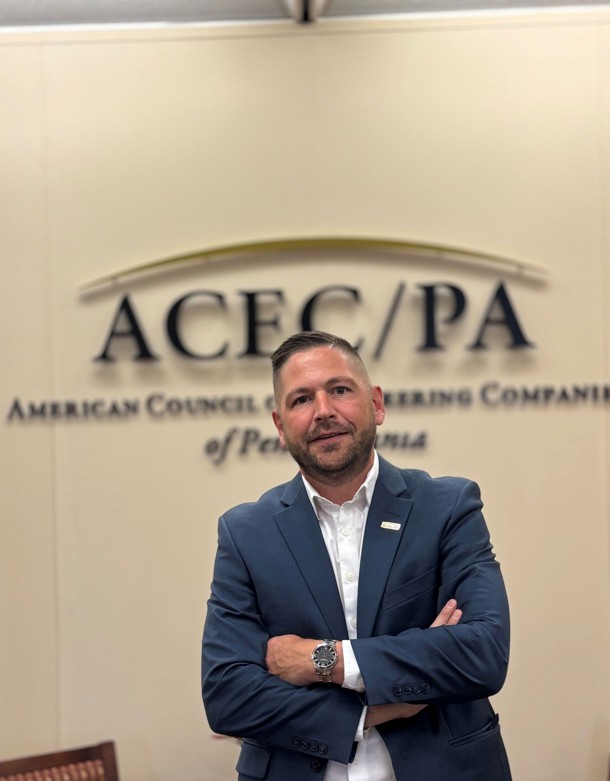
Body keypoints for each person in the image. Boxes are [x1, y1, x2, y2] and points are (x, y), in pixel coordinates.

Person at [202, 330, 511, 781]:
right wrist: (374, 712)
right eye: (301, 399)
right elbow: (228, 696)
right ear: (280, 427)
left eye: (340, 390)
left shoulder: (446, 508)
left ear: (376, 404)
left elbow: (482, 653)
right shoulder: (246, 533)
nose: (323, 411)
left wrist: (324, 660)